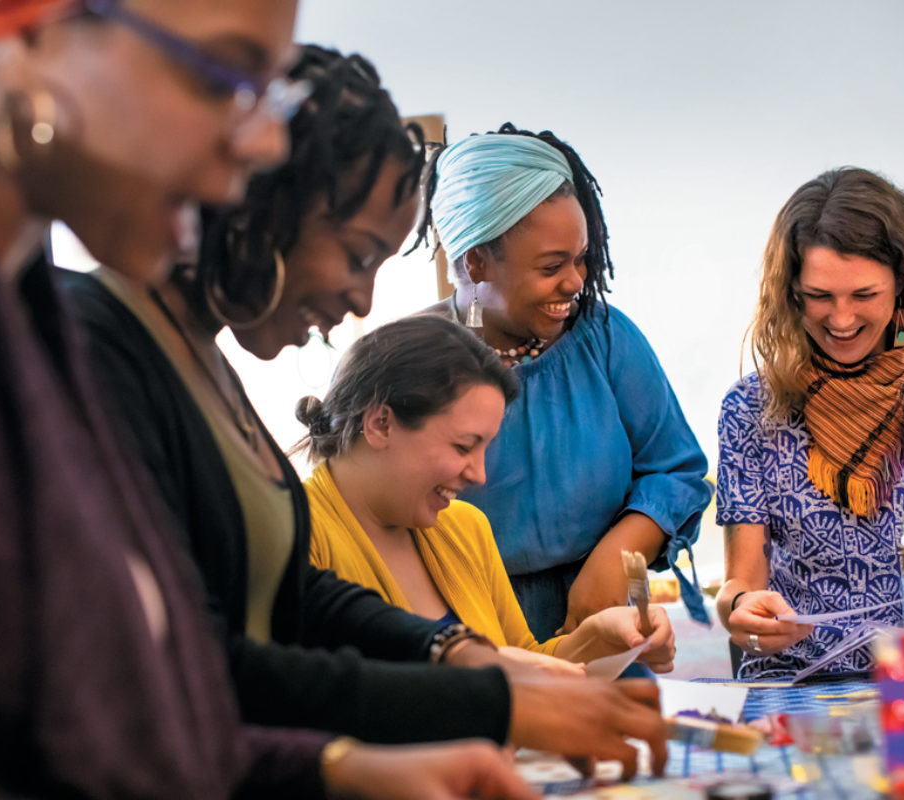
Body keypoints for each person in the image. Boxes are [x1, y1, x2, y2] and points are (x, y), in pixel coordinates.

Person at [0, 0, 538, 796]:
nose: (263, 145)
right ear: (32, 26)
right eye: (221, 76)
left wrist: (338, 770)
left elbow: (134, 722)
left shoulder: (16, 297)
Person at [58, 45, 669, 777]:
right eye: (356, 254)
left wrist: (458, 655)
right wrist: (452, 708)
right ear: (265, 207)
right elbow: (187, 661)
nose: (362, 298)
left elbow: (297, 599)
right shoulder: (96, 347)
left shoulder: (203, 365)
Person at [419, 124, 712, 641]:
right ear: (476, 262)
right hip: (469, 637)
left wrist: (619, 556)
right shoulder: (409, 363)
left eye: (581, 259)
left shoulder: (605, 337)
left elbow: (676, 470)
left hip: (605, 623)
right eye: (553, 265)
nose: (576, 281)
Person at [715, 166, 904, 680]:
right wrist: (742, 611)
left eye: (864, 295)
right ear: (791, 292)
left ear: (903, 286)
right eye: (820, 296)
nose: (842, 319)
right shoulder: (751, 408)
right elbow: (740, 583)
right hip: (797, 681)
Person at [299, 315, 678, 675]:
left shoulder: (466, 527)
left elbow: (523, 660)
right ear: (381, 424)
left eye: (485, 448)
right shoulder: (297, 540)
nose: (479, 475)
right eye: (463, 447)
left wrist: (600, 641)